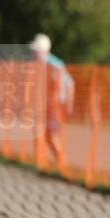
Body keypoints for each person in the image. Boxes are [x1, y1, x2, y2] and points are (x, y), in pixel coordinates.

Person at [29, 33, 75, 168]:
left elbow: (69, 84)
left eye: (36, 50)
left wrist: (69, 105)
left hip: (55, 106)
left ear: (43, 50)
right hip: (45, 105)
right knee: (42, 134)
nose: (33, 52)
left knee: (51, 136)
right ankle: (43, 163)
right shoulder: (40, 64)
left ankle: (61, 162)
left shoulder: (54, 65)